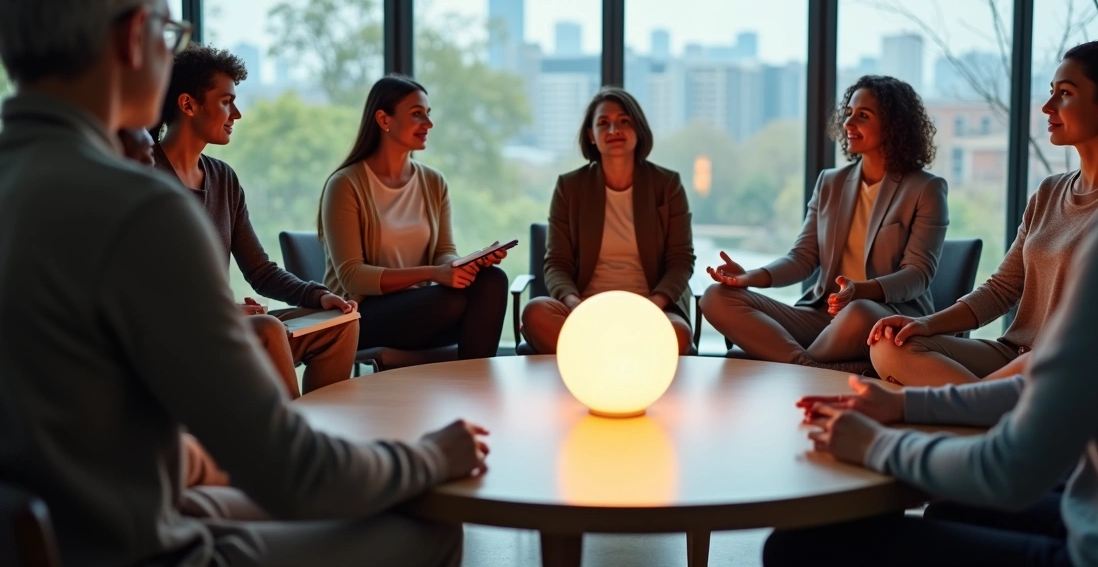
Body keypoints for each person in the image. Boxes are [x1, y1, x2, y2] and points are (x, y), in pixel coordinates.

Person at [0, 0, 487, 565]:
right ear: (131, 36)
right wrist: (429, 454)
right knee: (428, 524)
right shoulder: (140, 207)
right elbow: (292, 472)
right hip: (140, 547)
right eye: (168, 33)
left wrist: (194, 460)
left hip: (77, 518)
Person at [771, 0, 1098, 567]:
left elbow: (1014, 466)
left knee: (800, 547)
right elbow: (1037, 365)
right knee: (953, 505)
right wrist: (903, 403)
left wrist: (873, 444)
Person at [867, 41, 1098, 387]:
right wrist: (926, 324)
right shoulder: (1049, 191)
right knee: (889, 345)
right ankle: (991, 405)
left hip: (1063, 368)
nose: (1048, 106)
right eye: (1050, 92)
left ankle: (982, 404)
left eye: (1064, 93)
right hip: (1012, 354)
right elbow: (1001, 290)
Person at [699, 75, 947, 367]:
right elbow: (803, 258)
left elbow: (917, 275)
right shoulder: (830, 182)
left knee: (858, 312)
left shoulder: (925, 189)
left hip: (881, 316)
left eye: (862, 116)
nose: (848, 123)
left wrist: (859, 290)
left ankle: (788, 359)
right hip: (821, 317)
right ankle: (806, 366)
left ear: (894, 126)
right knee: (715, 297)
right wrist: (750, 277)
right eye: (848, 114)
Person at [155, 43, 357, 399]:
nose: (237, 114)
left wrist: (319, 295)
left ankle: (324, 431)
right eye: (226, 101)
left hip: (224, 328)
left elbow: (260, 271)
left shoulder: (223, 178)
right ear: (187, 104)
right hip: (176, 338)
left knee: (341, 324)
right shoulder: (143, 176)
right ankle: (296, 448)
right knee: (267, 329)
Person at [320, 75, 508, 362]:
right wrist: (433, 273)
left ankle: (476, 387)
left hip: (423, 311)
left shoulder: (434, 182)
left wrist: (464, 266)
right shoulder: (346, 184)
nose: (429, 124)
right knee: (449, 303)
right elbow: (352, 276)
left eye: (428, 114)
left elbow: (444, 252)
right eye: (417, 114)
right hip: (360, 317)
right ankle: (472, 385)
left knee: (492, 280)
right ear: (384, 120)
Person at [521, 87, 696, 356]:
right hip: (586, 309)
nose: (614, 128)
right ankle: (625, 360)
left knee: (678, 337)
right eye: (603, 123)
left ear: (638, 129)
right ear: (592, 135)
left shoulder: (667, 185)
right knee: (535, 313)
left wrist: (654, 304)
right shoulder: (570, 187)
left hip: (651, 308)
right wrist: (574, 304)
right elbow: (556, 263)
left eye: (624, 121)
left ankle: (593, 359)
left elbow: (681, 260)